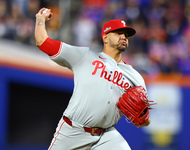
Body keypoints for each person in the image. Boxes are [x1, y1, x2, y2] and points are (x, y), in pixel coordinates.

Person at [35, 8, 151, 150]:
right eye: (118, 33)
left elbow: (145, 120)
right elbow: (43, 42)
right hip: (73, 131)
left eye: (126, 35)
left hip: (106, 135)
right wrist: (40, 19)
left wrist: (143, 118)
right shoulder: (85, 56)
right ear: (105, 37)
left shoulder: (135, 77)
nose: (124, 37)